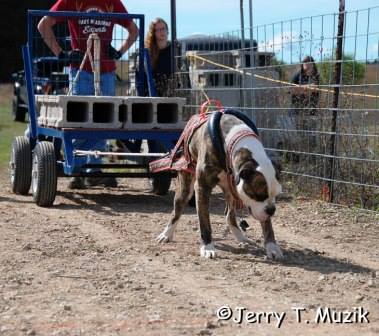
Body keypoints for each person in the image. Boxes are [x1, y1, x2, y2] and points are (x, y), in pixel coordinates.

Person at [37, 0, 139, 189]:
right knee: (79, 120)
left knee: (103, 119)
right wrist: (62, 55)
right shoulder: (71, 1)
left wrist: (117, 52)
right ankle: (79, 167)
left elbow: (134, 29)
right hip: (80, 69)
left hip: (107, 71)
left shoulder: (112, 2)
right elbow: (43, 25)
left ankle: (93, 169)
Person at [284, 55, 320, 160]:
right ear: (302, 64)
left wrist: (301, 89)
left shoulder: (316, 76)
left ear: (313, 64)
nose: (307, 64)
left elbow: (315, 89)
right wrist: (307, 88)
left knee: (311, 136)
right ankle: (296, 158)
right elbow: (290, 89)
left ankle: (311, 158)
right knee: (297, 135)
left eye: (310, 62)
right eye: (305, 62)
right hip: (296, 110)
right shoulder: (297, 76)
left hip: (311, 111)